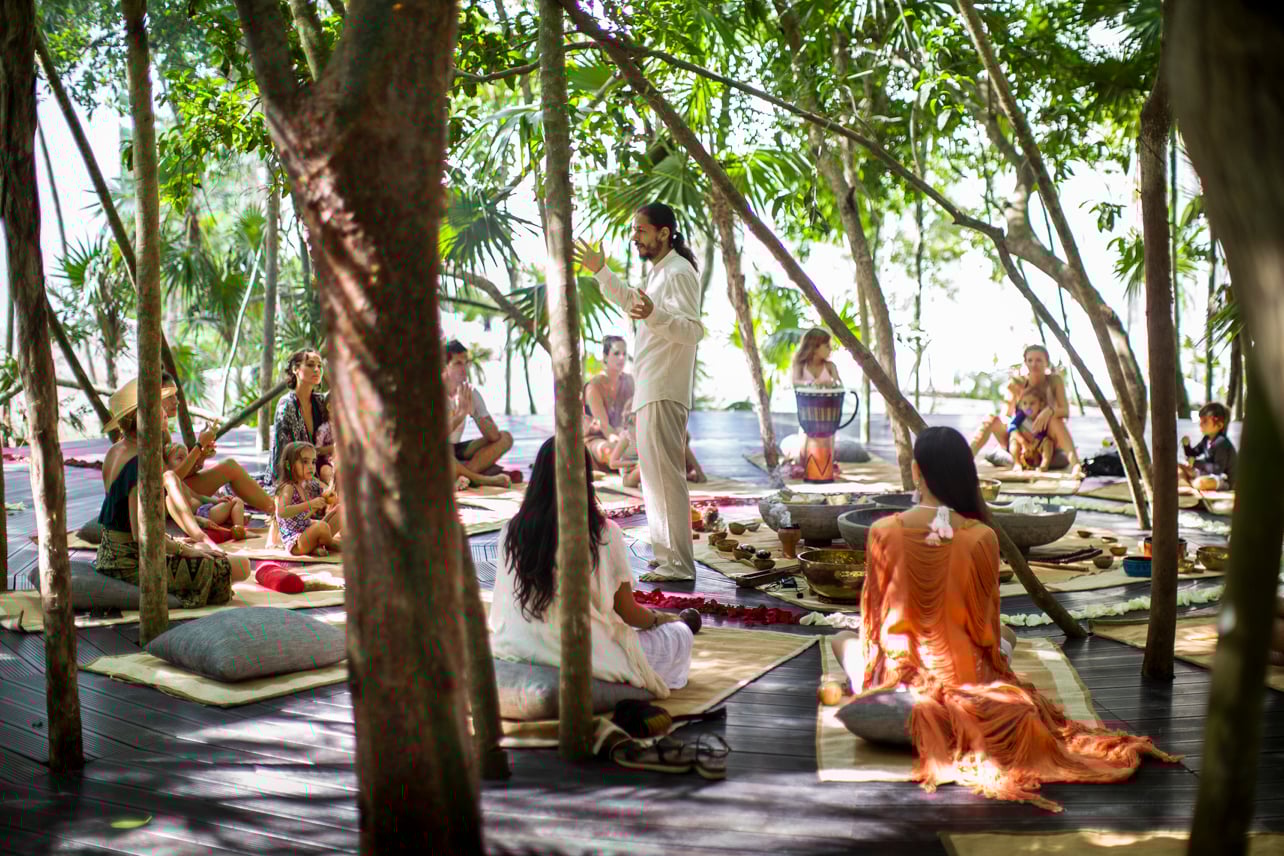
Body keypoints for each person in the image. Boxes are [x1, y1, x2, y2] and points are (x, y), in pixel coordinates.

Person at [828, 427, 1174, 809]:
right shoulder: (980, 537)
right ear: (965, 476)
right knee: (1006, 635)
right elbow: (986, 632)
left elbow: (874, 626)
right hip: (964, 679)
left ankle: (888, 695)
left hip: (895, 676)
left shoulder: (881, 531)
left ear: (916, 471)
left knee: (841, 640)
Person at [490, 437, 693, 696]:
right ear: (585, 477)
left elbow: (502, 607)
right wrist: (659, 618)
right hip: (585, 653)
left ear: (538, 476)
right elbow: (628, 613)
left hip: (519, 645)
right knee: (679, 635)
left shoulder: (510, 530)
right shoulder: (604, 533)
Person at [574, 201, 705, 581]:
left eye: (641, 230)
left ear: (664, 233)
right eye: (634, 230)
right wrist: (601, 270)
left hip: (665, 386)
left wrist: (654, 315)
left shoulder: (678, 272)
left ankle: (678, 564)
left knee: (666, 477)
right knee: (653, 477)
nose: (635, 237)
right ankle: (668, 558)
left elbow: (691, 330)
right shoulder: (660, 274)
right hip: (652, 386)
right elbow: (636, 303)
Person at [96, 379, 249, 608]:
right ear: (142, 415)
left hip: (109, 554)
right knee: (241, 566)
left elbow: (126, 521)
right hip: (128, 562)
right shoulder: (141, 461)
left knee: (212, 554)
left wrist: (174, 541)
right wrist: (183, 549)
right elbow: (141, 536)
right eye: (157, 406)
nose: (164, 410)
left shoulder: (115, 451)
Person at [160, 373, 276, 514]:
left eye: (176, 396)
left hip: (177, 492)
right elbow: (169, 482)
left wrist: (201, 457)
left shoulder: (163, 432)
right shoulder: (151, 435)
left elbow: (178, 477)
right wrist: (198, 446)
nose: (176, 401)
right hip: (162, 500)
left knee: (230, 465)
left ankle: (276, 511)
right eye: (170, 396)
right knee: (229, 468)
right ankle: (280, 514)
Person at [969, 344, 1081, 475]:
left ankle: (1076, 466)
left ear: (1046, 363)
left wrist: (1049, 411)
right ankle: (964, 459)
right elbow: (1005, 415)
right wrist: (1020, 431)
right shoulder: (1017, 382)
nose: (1034, 364)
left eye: (1039, 360)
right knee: (990, 419)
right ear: (1025, 363)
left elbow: (1065, 411)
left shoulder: (1054, 381)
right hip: (1019, 434)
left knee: (1057, 421)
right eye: (1030, 360)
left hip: (1045, 437)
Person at [444, 340, 515, 490]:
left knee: (505, 437)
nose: (464, 369)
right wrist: (461, 414)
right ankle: (483, 479)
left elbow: (494, 436)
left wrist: (475, 414)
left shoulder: (470, 393)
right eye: (458, 364)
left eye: (466, 363)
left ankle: (463, 476)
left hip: (456, 450)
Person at [261, 349, 337, 490]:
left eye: (320, 366)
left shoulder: (321, 402)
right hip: (291, 478)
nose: (317, 369)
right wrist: (321, 486)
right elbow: (283, 459)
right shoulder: (286, 406)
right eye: (310, 365)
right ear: (296, 369)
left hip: (321, 471)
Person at [164, 443, 247, 540]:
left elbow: (199, 497)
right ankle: (239, 531)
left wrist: (216, 501)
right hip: (204, 514)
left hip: (205, 510)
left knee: (232, 505)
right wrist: (198, 519)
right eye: (179, 458)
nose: (184, 462)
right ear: (166, 465)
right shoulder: (170, 488)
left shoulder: (180, 484)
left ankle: (236, 525)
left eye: (186, 458)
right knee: (237, 501)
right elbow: (176, 512)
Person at [274, 441, 342, 557]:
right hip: (296, 542)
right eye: (305, 461)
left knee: (341, 510)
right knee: (322, 526)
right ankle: (331, 544)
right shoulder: (288, 487)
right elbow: (282, 512)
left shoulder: (306, 484)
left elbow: (327, 492)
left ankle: (317, 547)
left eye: (313, 462)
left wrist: (326, 498)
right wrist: (310, 504)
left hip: (307, 530)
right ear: (288, 465)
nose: (311, 466)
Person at [584, 336, 637, 470]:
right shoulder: (594, 386)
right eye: (616, 353)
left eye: (624, 354)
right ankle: (636, 467)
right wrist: (626, 444)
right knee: (608, 450)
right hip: (599, 439)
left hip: (625, 437)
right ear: (605, 356)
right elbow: (605, 428)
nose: (621, 358)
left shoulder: (629, 381)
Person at [1180, 401, 1236, 490]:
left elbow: (1217, 469)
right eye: (1201, 421)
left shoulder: (1222, 443)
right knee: (1178, 467)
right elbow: (1193, 453)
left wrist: (1196, 463)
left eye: (1205, 421)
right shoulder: (1206, 439)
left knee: (1200, 483)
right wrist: (1187, 446)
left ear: (1219, 425)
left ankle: (1191, 484)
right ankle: (1191, 484)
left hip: (1223, 480)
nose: (1200, 424)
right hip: (1207, 474)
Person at [1007, 387, 1055, 472]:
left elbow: (1042, 432)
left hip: (1036, 447)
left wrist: (1034, 445)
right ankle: (1017, 463)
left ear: (1041, 404)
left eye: (1032, 403)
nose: (1028, 407)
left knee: (1048, 442)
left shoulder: (1041, 417)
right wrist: (1023, 442)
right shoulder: (1021, 416)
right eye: (1024, 403)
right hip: (1022, 446)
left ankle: (1044, 464)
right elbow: (1011, 427)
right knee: (1013, 440)